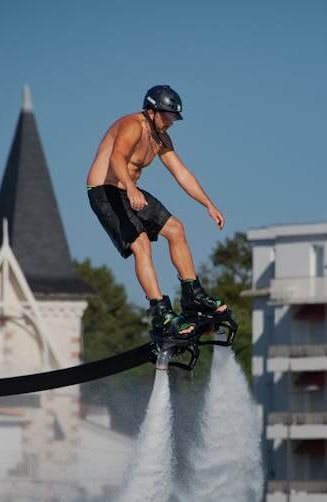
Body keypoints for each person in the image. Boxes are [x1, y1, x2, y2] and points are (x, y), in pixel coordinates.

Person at [86, 85, 228, 340]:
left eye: (174, 118)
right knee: (141, 244)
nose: (171, 122)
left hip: (130, 191)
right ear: (151, 112)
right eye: (167, 116)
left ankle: (192, 295)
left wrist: (208, 204)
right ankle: (160, 311)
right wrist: (130, 188)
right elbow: (117, 159)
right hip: (104, 191)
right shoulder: (133, 125)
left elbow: (181, 172)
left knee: (176, 229)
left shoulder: (160, 137)